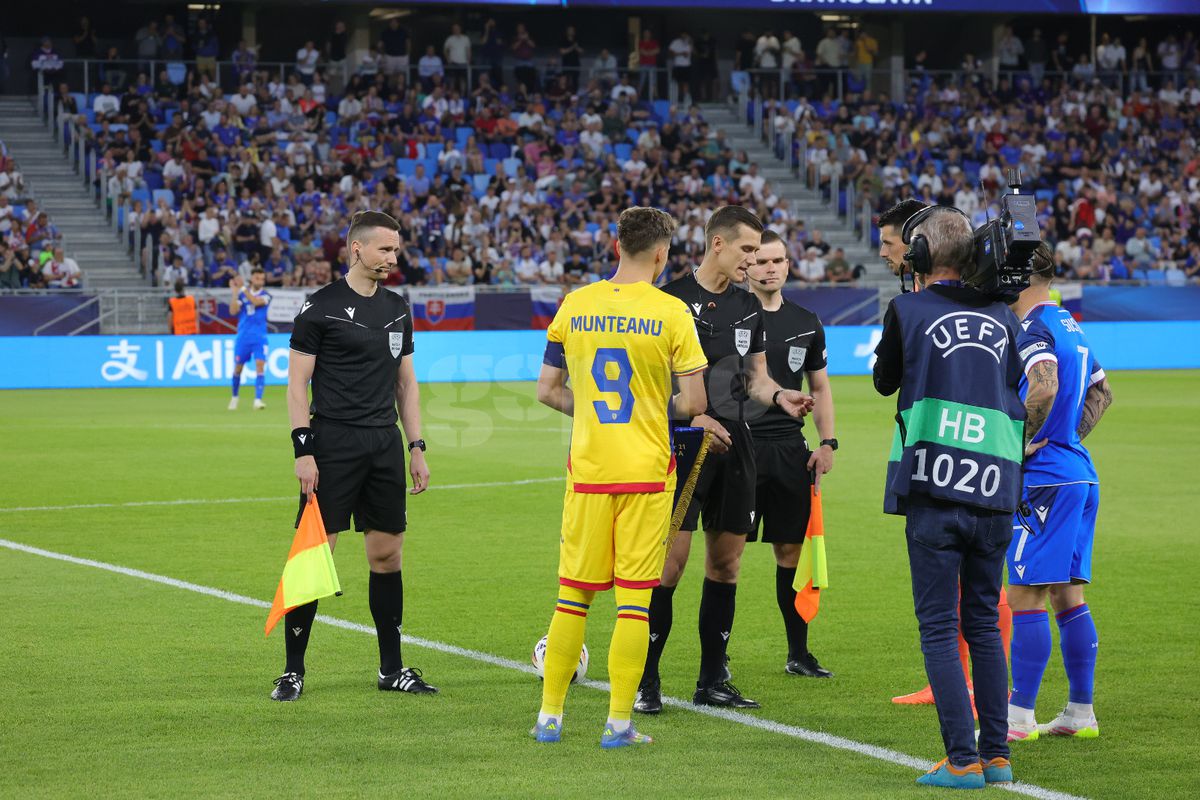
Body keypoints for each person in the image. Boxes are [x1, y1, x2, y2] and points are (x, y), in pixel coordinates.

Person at [532, 206, 708, 748]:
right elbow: (696, 401)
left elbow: (547, 390)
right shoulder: (673, 312)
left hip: (588, 470)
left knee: (572, 598)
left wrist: (592, 414)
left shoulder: (575, 305)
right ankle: (617, 724)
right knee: (634, 600)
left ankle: (550, 719)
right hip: (647, 473)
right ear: (662, 254)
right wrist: (649, 412)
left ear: (616, 246)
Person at [635, 205, 814, 714]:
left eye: (759, 252)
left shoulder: (747, 307)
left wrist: (781, 397)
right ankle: (646, 681)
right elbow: (648, 385)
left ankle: (711, 680)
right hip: (679, 443)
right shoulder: (666, 300)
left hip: (737, 442)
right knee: (669, 566)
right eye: (748, 250)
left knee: (727, 562)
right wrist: (690, 422)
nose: (754, 261)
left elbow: (757, 379)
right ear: (718, 244)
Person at [873, 206, 1025, 789]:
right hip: (995, 486)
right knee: (983, 622)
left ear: (916, 259)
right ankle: (996, 758)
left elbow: (886, 380)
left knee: (939, 627)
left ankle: (961, 761)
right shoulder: (1005, 315)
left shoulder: (906, 309)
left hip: (934, 484)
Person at [271, 210, 434, 702]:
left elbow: (406, 384)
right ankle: (293, 670)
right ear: (356, 249)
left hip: (383, 443)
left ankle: (391, 668)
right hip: (333, 444)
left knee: (387, 555)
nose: (392, 257)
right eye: (384, 249)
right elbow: (297, 384)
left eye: (396, 249)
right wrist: (303, 449)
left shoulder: (397, 308)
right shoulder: (318, 307)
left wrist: (416, 447)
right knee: (313, 556)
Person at [1006, 244, 1112, 742]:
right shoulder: (1070, 324)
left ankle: (1018, 717)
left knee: (1024, 593)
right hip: (1078, 473)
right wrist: (1067, 435)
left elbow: (1042, 389)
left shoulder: (1034, 328)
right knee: (1068, 594)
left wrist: (1019, 444)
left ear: (1023, 274)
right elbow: (1101, 393)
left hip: (1045, 477)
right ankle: (1079, 712)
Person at [745, 230, 837, 678]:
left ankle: (798, 653)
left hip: (788, 449)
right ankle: (715, 656)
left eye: (778, 261)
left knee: (789, 552)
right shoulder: (733, 318)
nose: (771, 268)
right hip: (738, 446)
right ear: (747, 265)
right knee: (724, 555)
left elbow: (819, 387)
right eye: (762, 261)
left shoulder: (807, 321)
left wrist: (827, 442)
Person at [228, 267, 271, 411]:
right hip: (243, 337)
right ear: (252, 278)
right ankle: (234, 397)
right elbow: (233, 311)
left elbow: (254, 301)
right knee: (238, 368)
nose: (260, 281)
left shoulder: (266, 296)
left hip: (259, 337)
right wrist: (235, 293)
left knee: (260, 366)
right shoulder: (242, 294)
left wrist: (242, 288)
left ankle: (258, 400)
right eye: (258, 278)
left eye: (262, 279)